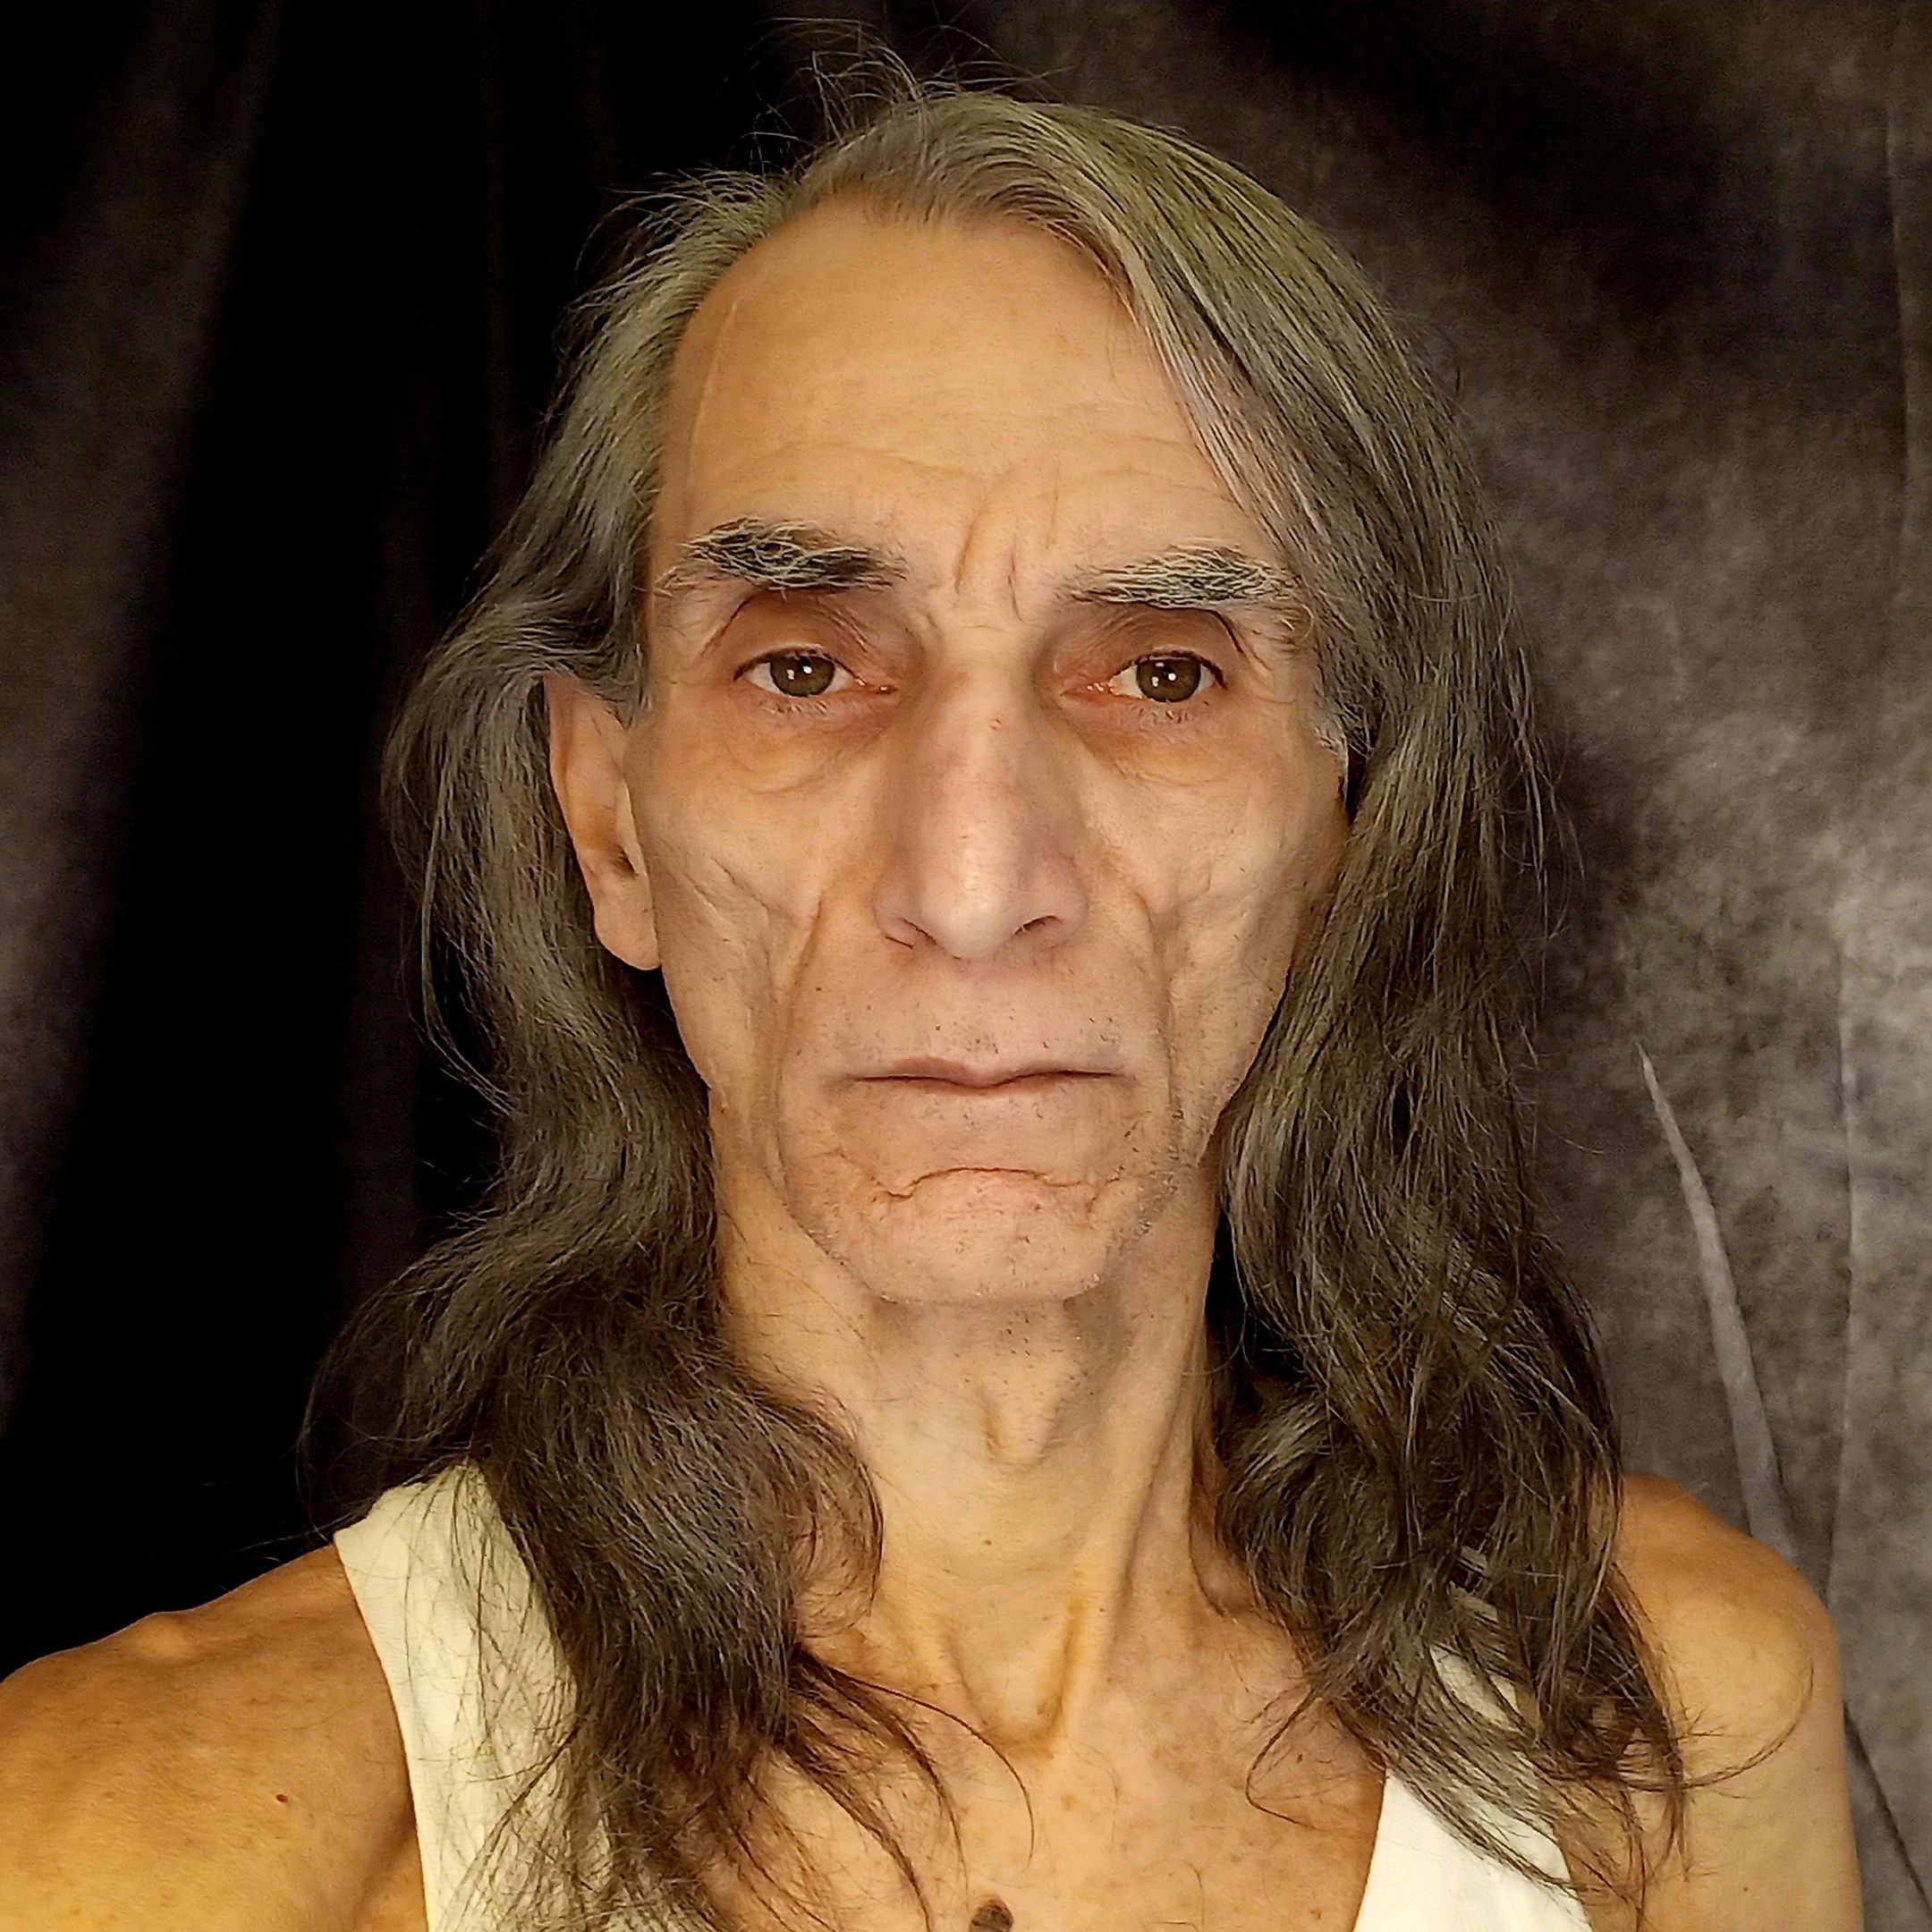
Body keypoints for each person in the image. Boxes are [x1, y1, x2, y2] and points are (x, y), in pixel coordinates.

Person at [0, 79, 1860, 1932]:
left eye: (1162, 672)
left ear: (1338, 835)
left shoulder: (1664, 1744)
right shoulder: (132, 1848)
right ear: (608, 822)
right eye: (805, 669)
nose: (974, 884)